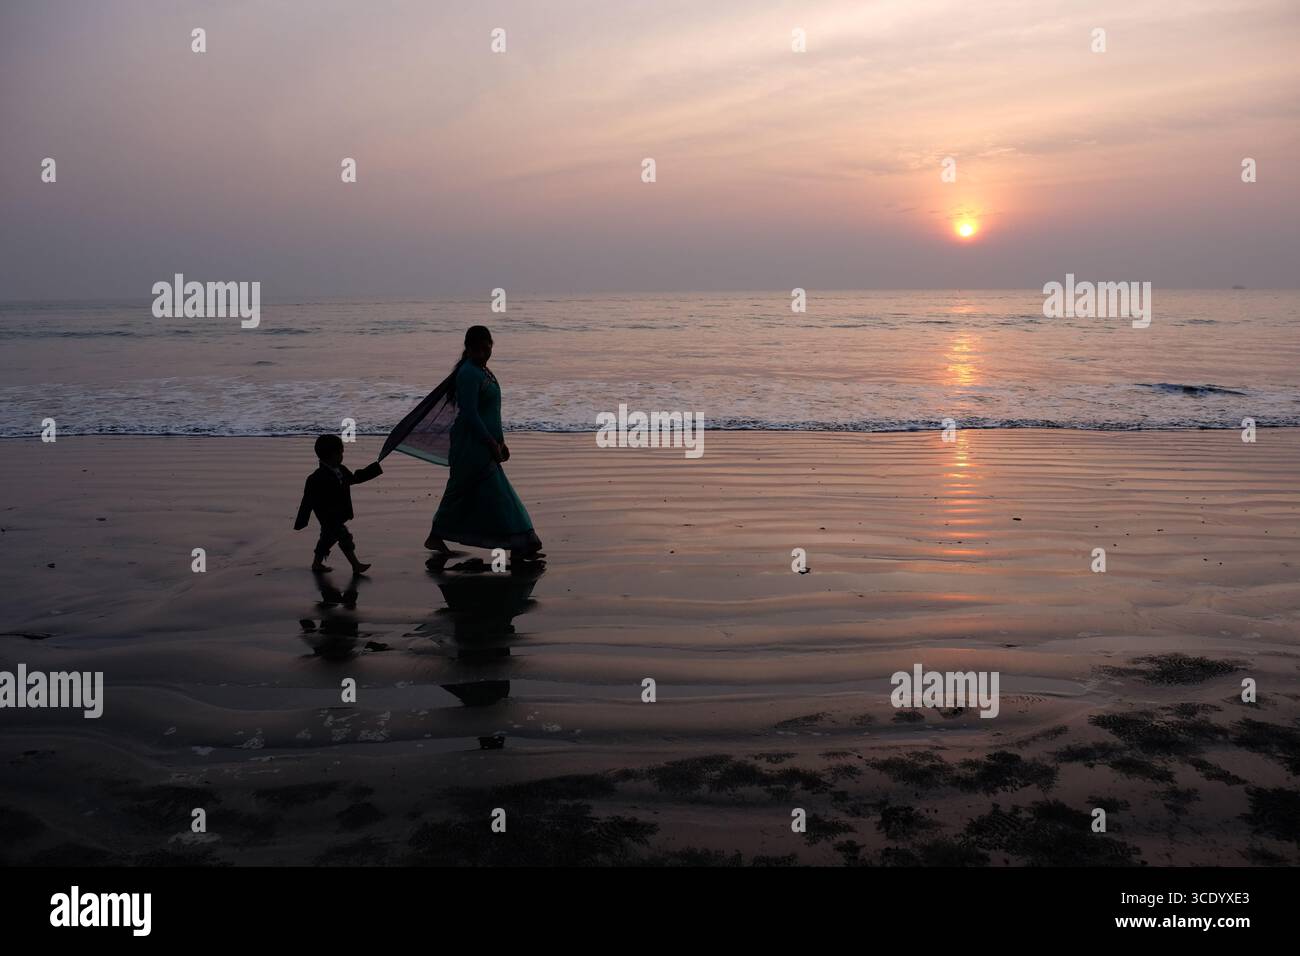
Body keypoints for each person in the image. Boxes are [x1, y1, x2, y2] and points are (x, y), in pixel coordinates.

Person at [424, 326, 543, 564]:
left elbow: (491, 412)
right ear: (467, 349)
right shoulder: (468, 373)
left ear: (491, 344)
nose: (482, 351)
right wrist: (489, 442)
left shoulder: (483, 371)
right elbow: (469, 413)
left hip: (485, 441)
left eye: (486, 346)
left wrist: (501, 441)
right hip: (471, 443)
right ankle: (520, 542)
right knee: (488, 491)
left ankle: (438, 534)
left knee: (466, 491)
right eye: (476, 348)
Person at [294, 433, 383, 573]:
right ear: (331, 455)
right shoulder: (316, 478)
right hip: (328, 516)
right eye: (340, 453)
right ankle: (355, 565)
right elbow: (307, 501)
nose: (342, 456)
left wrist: (375, 467)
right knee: (344, 537)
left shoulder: (341, 470)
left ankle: (316, 564)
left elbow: (355, 478)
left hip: (338, 513)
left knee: (327, 539)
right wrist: (302, 520)